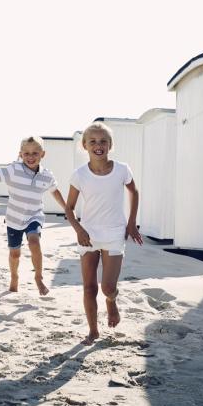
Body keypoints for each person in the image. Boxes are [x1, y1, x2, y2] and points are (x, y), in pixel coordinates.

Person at [64, 122, 143, 345]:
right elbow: (69, 208)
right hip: (87, 234)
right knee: (89, 287)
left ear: (110, 145)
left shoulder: (122, 169)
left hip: (115, 234)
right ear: (85, 145)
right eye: (93, 141)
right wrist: (78, 230)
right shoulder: (79, 175)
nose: (98, 145)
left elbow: (134, 191)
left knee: (107, 286)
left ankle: (111, 301)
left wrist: (132, 223)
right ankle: (93, 331)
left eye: (103, 141)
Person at [0, 136, 66, 296]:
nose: (30, 157)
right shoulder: (14, 169)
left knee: (34, 242)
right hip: (14, 218)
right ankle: (14, 277)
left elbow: (55, 191)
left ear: (42, 154)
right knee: (14, 253)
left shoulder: (47, 175)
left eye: (35, 153)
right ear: (20, 154)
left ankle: (38, 278)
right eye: (26, 154)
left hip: (34, 216)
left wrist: (66, 207)